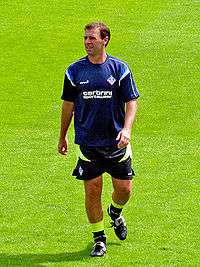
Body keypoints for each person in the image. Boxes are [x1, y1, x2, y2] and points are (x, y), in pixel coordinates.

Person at [58, 22, 139, 257]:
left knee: (124, 189)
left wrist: (127, 129)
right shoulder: (74, 71)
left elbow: (131, 100)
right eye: (85, 38)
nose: (87, 42)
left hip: (116, 143)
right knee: (93, 191)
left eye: (92, 38)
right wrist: (62, 135)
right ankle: (99, 239)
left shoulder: (119, 69)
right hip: (88, 143)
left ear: (105, 40)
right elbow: (68, 105)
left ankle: (115, 213)